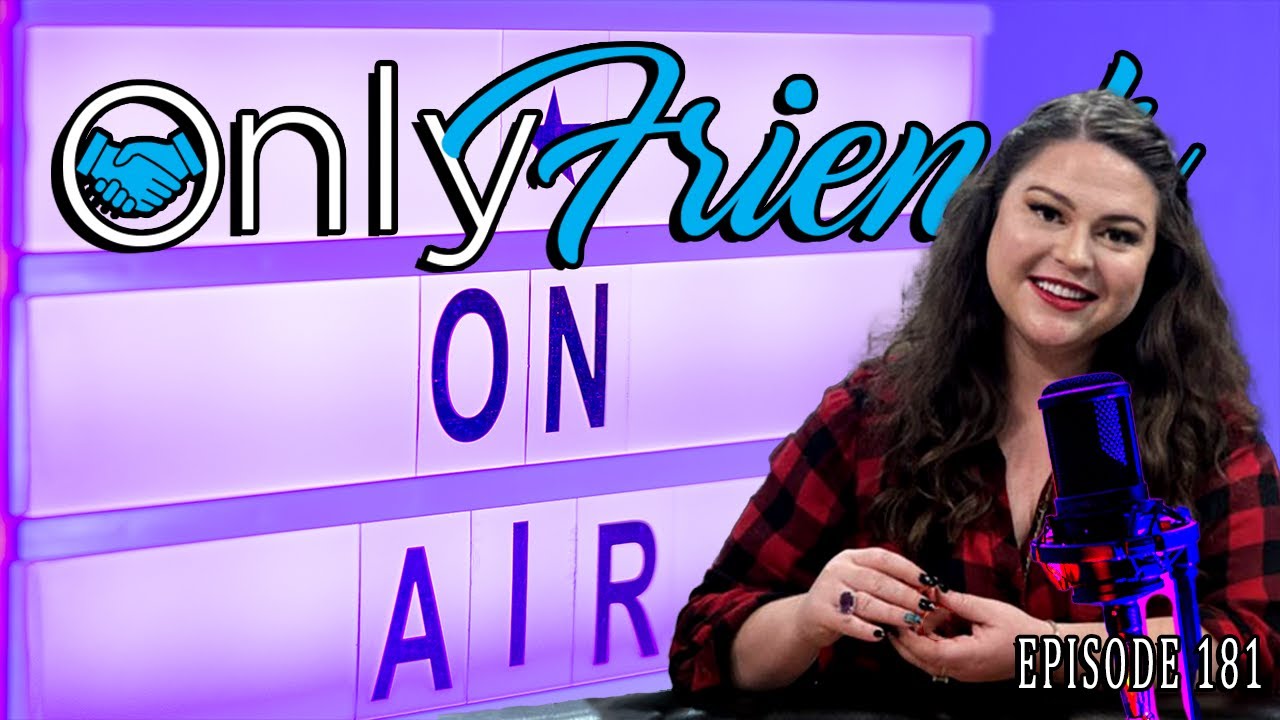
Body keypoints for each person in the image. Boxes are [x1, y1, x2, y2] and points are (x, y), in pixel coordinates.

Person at [667, 90, 1280, 711]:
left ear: (1156, 264)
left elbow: (1262, 655)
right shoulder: (871, 411)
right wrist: (810, 617)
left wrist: (1044, 653)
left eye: (1117, 234)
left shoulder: (1211, 434)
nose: (1074, 256)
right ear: (988, 219)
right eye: (1046, 212)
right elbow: (703, 646)